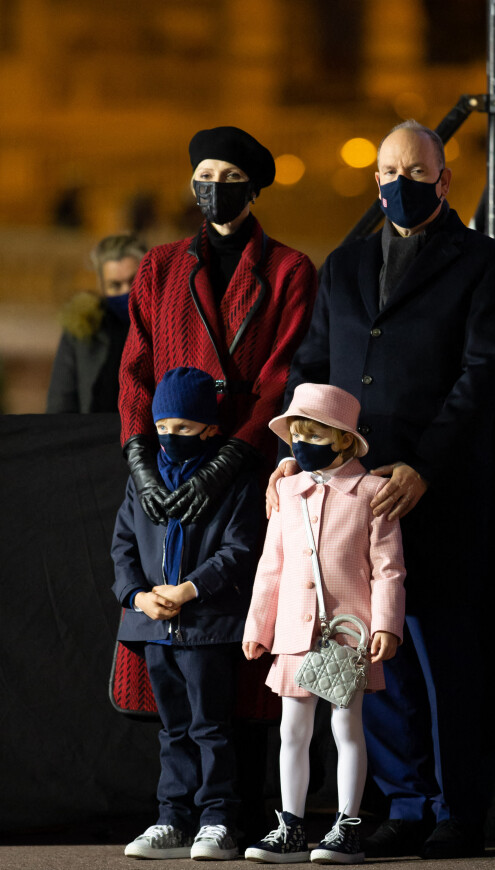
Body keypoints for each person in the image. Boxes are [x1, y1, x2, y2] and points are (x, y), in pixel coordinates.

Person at [267, 120, 495, 859]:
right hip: (349, 497)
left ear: (443, 180)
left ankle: (456, 810)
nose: (395, 183)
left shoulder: (486, 266)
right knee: (372, 662)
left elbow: (481, 378)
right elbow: (313, 367)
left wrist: (424, 466)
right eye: (385, 170)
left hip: (434, 493)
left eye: (411, 171)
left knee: (441, 654)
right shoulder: (343, 266)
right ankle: (404, 804)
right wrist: (296, 449)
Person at [118, 125, 318, 528]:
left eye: (231, 177)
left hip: (247, 459)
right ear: (193, 186)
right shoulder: (159, 266)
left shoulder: (289, 270)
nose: (215, 186)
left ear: (252, 189)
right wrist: (141, 463)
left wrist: (230, 460)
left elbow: (284, 376)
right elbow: (134, 370)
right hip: (169, 461)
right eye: (206, 176)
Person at [243, 383, 406, 864]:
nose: (298, 446)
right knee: (292, 730)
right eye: (295, 436)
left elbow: (388, 568)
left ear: (341, 439)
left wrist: (386, 623)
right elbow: (271, 564)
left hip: (348, 632)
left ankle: (346, 827)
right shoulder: (288, 490)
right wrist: (259, 626)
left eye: (310, 435)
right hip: (294, 630)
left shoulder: (371, 492)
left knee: (346, 728)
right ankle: (291, 825)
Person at [111, 366, 263, 861]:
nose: (169, 438)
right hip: (155, 628)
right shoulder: (143, 480)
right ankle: (172, 819)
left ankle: (218, 819)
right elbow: (124, 546)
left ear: (210, 428)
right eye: (161, 429)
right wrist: (138, 596)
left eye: (182, 428)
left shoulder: (235, 480)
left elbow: (240, 549)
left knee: (210, 728)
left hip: (207, 627)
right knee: (172, 729)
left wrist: (190, 590)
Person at [46, 233, 147, 413]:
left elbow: (214, 382)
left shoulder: (168, 325)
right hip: (95, 435)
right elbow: (60, 401)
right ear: (102, 286)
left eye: (133, 281)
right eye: (115, 285)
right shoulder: (82, 328)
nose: (127, 291)